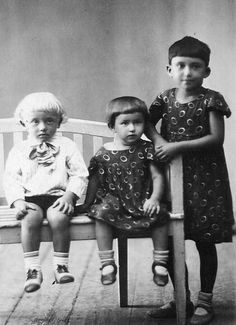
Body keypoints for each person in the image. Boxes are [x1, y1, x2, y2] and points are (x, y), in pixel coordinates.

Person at [146, 36, 234, 325]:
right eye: (181, 65)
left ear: (206, 71)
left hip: (206, 179)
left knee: (204, 241)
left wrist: (176, 146)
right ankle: (181, 298)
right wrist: (160, 140)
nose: (187, 72)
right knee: (172, 239)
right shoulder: (164, 97)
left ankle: (206, 301)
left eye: (195, 66)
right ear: (169, 68)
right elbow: (146, 121)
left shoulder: (211, 99)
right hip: (174, 177)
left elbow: (216, 138)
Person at [77, 96, 170, 286]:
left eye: (137, 122)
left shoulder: (146, 149)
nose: (132, 128)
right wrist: (87, 204)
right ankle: (107, 263)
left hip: (142, 200)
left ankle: (160, 261)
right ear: (112, 127)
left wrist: (154, 198)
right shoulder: (104, 153)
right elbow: (94, 180)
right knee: (101, 213)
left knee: (160, 212)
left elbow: (157, 177)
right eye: (125, 123)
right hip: (114, 202)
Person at [3, 92, 88, 293]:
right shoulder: (19, 150)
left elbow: (79, 174)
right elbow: (11, 178)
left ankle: (61, 265)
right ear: (24, 123)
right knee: (29, 219)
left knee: (59, 218)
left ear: (59, 122)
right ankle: (32, 269)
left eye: (49, 121)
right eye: (35, 121)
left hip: (58, 197)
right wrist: (17, 201)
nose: (42, 127)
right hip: (30, 198)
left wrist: (70, 196)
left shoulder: (67, 146)